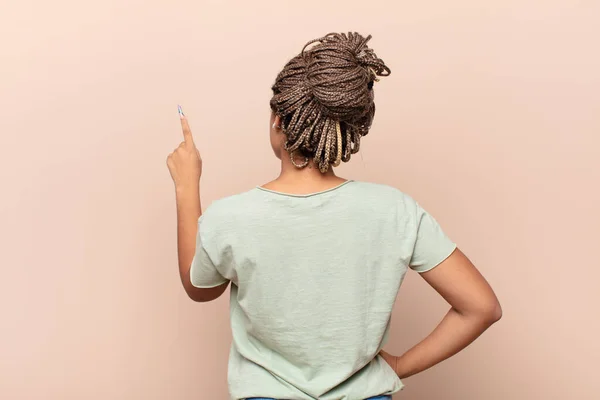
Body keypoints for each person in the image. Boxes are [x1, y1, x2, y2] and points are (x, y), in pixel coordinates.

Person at [166, 32, 502, 400]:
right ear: (349, 128)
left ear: (278, 119)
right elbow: (481, 307)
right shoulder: (395, 210)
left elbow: (198, 287)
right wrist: (399, 365)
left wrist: (186, 186)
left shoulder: (231, 216)